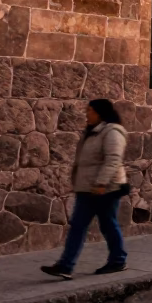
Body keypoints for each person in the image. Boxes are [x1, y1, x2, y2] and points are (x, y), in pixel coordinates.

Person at [41, 99, 129, 279]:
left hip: (106, 189)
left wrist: (101, 183)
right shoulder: (92, 132)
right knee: (78, 226)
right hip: (87, 188)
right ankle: (65, 266)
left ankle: (118, 260)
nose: (87, 114)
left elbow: (113, 159)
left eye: (90, 110)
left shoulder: (112, 132)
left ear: (99, 112)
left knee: (107, 224)